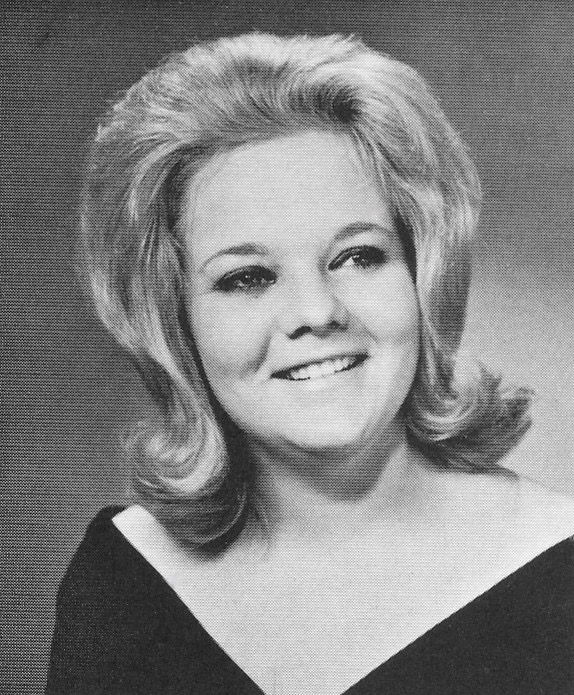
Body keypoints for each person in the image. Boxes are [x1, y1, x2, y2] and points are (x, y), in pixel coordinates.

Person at [46, 32, 574, 695]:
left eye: (358, 257)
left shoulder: (560, 563)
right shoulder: (124, 579)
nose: (317, 312)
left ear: (424, 274)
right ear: (175, 320)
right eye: (247, 277)